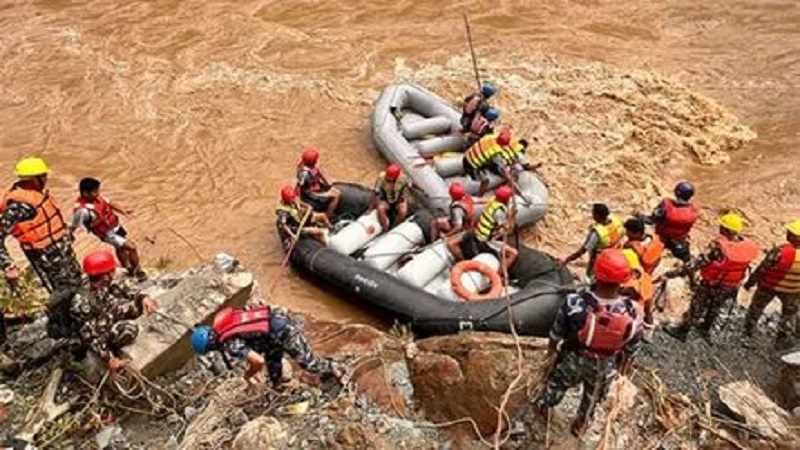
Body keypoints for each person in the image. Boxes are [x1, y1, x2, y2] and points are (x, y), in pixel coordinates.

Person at [534, 249, 643, 436]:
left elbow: (556, 334)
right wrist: (623, 370)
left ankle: (544, 407)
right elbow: (632, 349)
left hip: (574, 359)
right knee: (592, 398)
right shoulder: (633, 311)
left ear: (596, 273)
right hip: (605, 364)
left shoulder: (575, 302)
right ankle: (580, 426)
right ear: (624, 279)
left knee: (556, 385)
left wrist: (551, 355)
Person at [0, 157, 81, 338]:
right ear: (33, 179)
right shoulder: (19, 206)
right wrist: (9, 266)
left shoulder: (39, 194)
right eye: (43, 176)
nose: (46, 179)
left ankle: (75, 319)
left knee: (74, 282)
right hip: (44, 255)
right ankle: (60, 328)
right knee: (60, 292)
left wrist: (65, 232)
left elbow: (48, 220)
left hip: (61, 249)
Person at [191, 305, 343, 390]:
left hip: (284, 332)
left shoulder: (230, 344)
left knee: (309, 364)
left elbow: (257, 361)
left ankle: (334, 368)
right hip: (271, 331)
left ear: (210, 347)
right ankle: (277, 386)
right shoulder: (224, 324)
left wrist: (248, 375)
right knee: (273, 362)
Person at [664, 212, 759, 341]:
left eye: (721, 225)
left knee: (697, 306)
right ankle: (705, 328)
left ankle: (683, 331)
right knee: (715, 307)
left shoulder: (718, 247)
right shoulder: (747, 246)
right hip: (731, 285)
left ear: (725, 229)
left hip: (712, 283)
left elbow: (698, 263)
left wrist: (675, 273)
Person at [70, 250, 157, 371]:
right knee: (130, 329)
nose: (114, 273)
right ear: (105, 276)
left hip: (106, 313)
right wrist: (108, 358)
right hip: (96, 328)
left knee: (137, 308)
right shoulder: (81, 304)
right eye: (112, 271)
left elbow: (122, 287)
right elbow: (89, 336)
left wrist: (142, 297)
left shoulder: (98, 281)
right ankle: (113, 348)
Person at [71, 177, 146, 281]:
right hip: (107, 234)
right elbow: (74, 225)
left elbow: (110, 203)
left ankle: (128, 269)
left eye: (97, 190)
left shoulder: (97, 197)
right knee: (132, 247)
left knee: (120, 248)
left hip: (115, 226)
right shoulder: (82, 211)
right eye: (94, 192)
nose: (97, 193)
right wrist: (69, 235)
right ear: (85, 193)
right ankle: (137, 271)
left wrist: (123, 210)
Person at [743, 220, 800, 350]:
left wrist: (749, 283)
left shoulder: (779, 252)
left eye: (789, 232)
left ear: (792, 236)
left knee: (755, 310)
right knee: (789, 315)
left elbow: (762, 269)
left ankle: (747, 334)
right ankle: (781, 341)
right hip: (794, 290)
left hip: (770, 286)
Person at [453, 186, 518, 276]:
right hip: (485, 240)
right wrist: (513, 217)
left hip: (477, 232)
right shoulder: (499, 212)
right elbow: (507, 230)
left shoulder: (492, 200)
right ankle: (498, 275)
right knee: (513, 253)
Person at [561, 203, 624, 280]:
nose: (592, 215)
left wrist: (567, 260)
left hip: (601, 262)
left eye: (593, 213)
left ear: (597, 216)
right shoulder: (615, 220)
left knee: (591, 279)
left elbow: (582, 251)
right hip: (617, 256)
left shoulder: (596, 233)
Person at [646, 182, 698, 262]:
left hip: (661, 238)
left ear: (677, 192)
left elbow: (653, 219)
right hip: (679, 241)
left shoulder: (666, 205)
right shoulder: (693, 211)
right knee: (687, 260)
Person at [296, 147, 341, 219]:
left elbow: (320, 174)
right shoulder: (304, 173)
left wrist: (328, 185)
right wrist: (299, 199)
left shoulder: (311, 166)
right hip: (311, 193)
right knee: (336, 195)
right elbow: (299, 185)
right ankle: (328, 215)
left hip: (317, 186)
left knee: (334, 189)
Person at [462, 132, 504, 196]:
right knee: (486, 181)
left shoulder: (490, 137)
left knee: (486, 164)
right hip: (472, 165)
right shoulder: (495, 152)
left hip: (466, 157)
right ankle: (480, 195)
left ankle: (464, 173)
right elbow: (502, 168)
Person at [373, 164, 411, 231]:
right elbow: (376, 191)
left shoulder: (403, 178)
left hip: (398, 199)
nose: (389, 181)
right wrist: (374, 204)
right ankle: (384, 227)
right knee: (380, 209)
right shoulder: (381, 177)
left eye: (391, 180)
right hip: (386, 198)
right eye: (387, 179)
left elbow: (410, 185)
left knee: (403, 212)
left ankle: (393, 227)